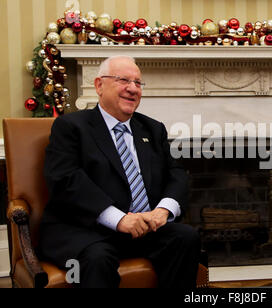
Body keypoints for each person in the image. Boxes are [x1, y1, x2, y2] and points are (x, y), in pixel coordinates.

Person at [39, 55, 201, 288]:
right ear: (99, 85)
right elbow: (66, 180)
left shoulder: (153, 129)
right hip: (88, 230)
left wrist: (164, 210)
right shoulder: (71, 127)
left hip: (144, 228)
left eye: (138, 83)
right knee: (97, 259)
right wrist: (119, 219)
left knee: (185, 237)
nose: (132, 89)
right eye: (123, 80)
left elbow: (175, 173)